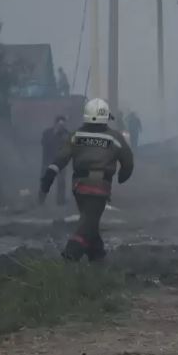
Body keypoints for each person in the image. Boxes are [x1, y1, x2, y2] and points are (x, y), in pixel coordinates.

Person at [40, 98, 134, 262]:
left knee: (90, 222)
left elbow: (60, 159)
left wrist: (48, 177)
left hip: (79, 188)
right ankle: (70, 257)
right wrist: (123, 176)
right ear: (105, 117)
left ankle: (97, 259)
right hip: (100, 188)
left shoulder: (76, 136)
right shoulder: (115, 137)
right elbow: (128, 162)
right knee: (87, 226)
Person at [40, 115, 70, 205]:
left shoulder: (66, 133)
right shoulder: (47, 133)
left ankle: (60, 201)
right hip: (47, 161)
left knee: (61, 182)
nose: (61, 127)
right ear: (55, 124)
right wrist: (55, 134)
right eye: (60, 124)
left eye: (63, 125)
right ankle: (41, 200)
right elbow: (44, 143)